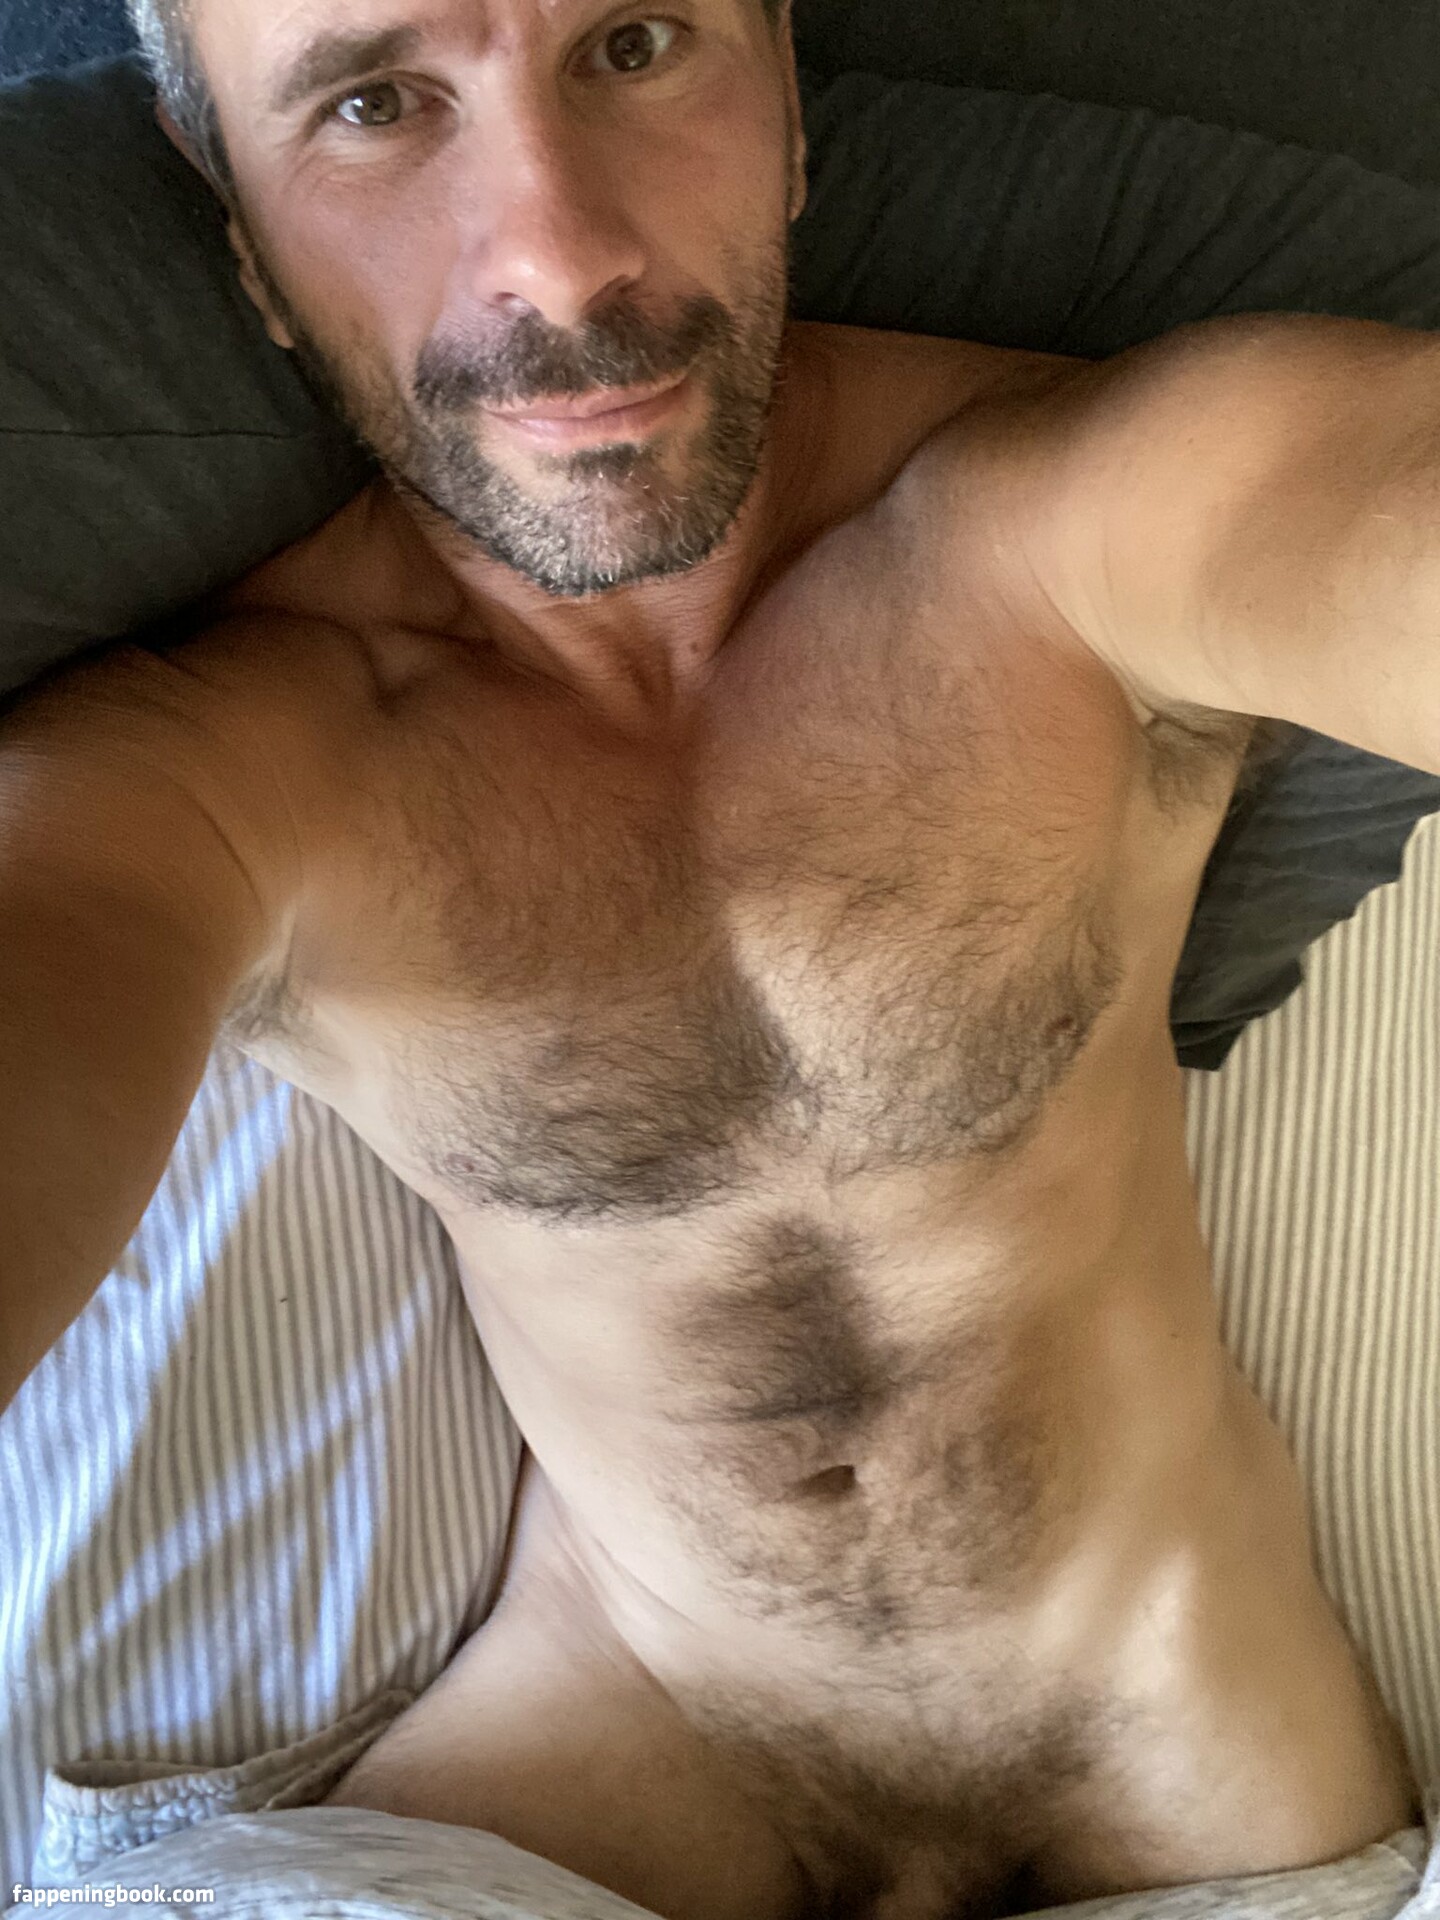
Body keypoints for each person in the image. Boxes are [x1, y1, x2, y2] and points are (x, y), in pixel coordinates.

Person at [0, 0, 1427, 1914]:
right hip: (590, 1785)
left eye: (637, 45)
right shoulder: (226, 769)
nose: (558, 255)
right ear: (241, 231)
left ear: (790, 101)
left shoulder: (1086, 522)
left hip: (1215, 1782)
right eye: (374, 104)